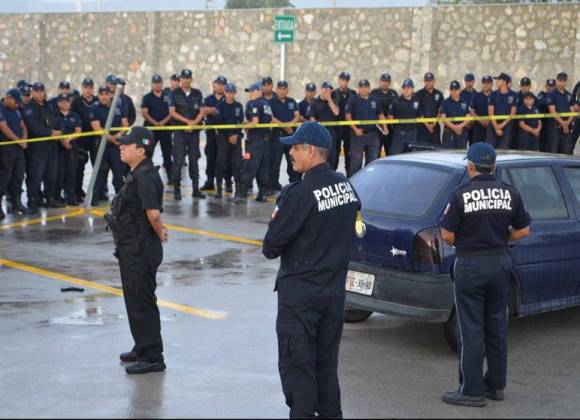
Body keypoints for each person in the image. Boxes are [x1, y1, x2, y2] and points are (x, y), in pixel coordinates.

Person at [262, 121, 360, 418]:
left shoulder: (300, 193)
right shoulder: (347, 186)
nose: (291, 153)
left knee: (298, 368)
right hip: (332, 292)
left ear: (311, 151)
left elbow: (271, 246)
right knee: (326, 366)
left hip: (301, 296)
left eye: (295, 147)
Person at [439, 142, 531, 407]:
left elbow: (447, 235)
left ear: (470, 167)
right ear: (494, 166)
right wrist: (502, 237)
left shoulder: (461, 195)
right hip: (500, 262)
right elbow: (524, 231)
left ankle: (471, 391)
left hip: (470, 265)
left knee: (470, 329)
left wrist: (467, 242)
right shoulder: (509, 192)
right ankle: (495, 386)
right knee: (497, 327)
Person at [105, 126, 167, 375]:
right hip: (131, 247)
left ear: (142, 150)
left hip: (141, 249)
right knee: (134, 299)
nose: (121, 147)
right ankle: (142, 347)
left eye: (127, 144)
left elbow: (153, 213)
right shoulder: (137, 172)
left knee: (142, 301)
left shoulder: (145, 176)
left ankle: (153, 356)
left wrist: (160, 230)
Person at [168, 69, 206, 200]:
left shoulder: (197, 93)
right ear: (180, 80)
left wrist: (194, 123)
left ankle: (196, 189)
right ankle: (176, 189)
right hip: (179, 132)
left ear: (191, 79)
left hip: (194, 133)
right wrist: (188, 122)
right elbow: (172, 112)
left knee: (194, 160)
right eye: (183, 78)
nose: (185, 80)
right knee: (178, 161)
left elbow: (202, 110)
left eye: (188, 78)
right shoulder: (175, 93)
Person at [24, 82, 62, 212]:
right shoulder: (30, 108)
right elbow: (33, 127)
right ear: (33, 92)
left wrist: (59, 131)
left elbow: (56, 121)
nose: (39, 93)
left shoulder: (49, 106)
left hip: (51, 146)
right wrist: (51, 133)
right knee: (36, 175)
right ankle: (33, 201)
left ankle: (50, 198)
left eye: (41, 90)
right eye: (36, 91)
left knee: (51, 174)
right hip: (37, 148)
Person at [89, 85, 129, 205]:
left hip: (116, 145)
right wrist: (112, 138)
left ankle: (120, 199)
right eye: (102, 94)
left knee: (118, 172)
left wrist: (119, 135)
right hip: (101, 145)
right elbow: (97, 128)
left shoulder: (118, 106)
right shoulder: (94, 108)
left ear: (111, 95)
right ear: (98, 95)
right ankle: (95, 198)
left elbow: (125, 124)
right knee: (100, 172)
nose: (104, 97)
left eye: (107, 94)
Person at [235, 82, 273, 203]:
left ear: (258, 91)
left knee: (248, 165)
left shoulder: (255, 104)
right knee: (262, 168)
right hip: (265, 140)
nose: (250, 94)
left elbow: (255, 122)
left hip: (254, 141)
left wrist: (244, 125)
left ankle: (241, 195)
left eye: (252, 91)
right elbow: (270, 122)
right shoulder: (266, 104)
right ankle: (262, 194)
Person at [345, 79, 386, 176]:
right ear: (358, 88)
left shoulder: (374, 99)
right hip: (358, 135)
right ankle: (354, 183)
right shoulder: (353, 99)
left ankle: (369, 181)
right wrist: (355, 129)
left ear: (369, 88)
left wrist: (385, 127)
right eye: (361, 87)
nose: (363, 89)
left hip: (373, 135)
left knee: (372, 162)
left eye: (366, 87)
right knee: (356, 161)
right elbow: (347, 116)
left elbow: (380, 114)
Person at [0, 89, 29, 218]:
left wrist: (24, 138)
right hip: (6, 148)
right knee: (5, 177)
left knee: (19, 176)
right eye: (15, 102)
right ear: (8, 97)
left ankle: (16, 203)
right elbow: (4, 127)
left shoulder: (17, 110)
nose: (17, 105)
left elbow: (23, 126)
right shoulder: (2, 109)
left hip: (18, 149)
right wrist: (18, 141)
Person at [141, 75, 173, 184]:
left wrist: (163, 122)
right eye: (155, 82)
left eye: (159, 82)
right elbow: (144, 113)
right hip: (150, 131)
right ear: (151, 84)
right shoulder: (146, 97)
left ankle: (171, 178)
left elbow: (172, 111)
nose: (157, 84)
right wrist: (155, 123)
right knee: (147, 152)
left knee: (167, 154)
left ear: (162, 83)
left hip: (165, 130)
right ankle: (145, 177)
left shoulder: (169, 96)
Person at [214, 83, 244, 199]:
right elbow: (219, 123)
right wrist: (229, 135)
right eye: (227, 92)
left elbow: (240, 122)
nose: (230, 94)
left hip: (236, 139)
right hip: (223, 138)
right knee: (221, 163)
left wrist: (235, 135)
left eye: (232, 92)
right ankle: (219, 190)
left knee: (237, 164)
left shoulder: (239, 106)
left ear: (235, 93)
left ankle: (237, 189)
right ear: (225, 93)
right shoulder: (219, 106)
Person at [270, 80, 301, 192]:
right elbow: (271, 118)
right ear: (276, 90)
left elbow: (297, 115)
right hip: (277, 136)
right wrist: (285, 126)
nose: (282, 91)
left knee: (293, 160)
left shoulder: (292, 101)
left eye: (284, 89)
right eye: (280, 89)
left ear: (287, 90)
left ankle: (294, 184)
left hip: (291, 135)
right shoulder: (271, 102)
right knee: (275, 162)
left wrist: (290, 125)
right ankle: (273, 185)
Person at [71, 77, 99, 202]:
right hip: (81, 140)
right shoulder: (76, 102)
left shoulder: (98, 101)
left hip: (95, 139)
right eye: (85, 88)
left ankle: (98, 191)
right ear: (82, 88)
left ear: (93, 89)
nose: (88, 90)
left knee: (98, 167)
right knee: (79, 168)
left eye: (90, 88)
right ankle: (78, 191)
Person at [201, 75, 227, 192]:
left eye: (223, 84)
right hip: (211, 134)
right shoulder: (208, 99)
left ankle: (227, 182)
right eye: (219, 84)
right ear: (214, 85)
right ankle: (210, 181)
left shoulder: (228, 98)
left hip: (224, 134)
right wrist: (215, 110)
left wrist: (211, 110)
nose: (221, 86)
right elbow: (203, 110)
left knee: (224, 159)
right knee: (210, 157)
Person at [55, 94, 82, 205]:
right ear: (58, 103)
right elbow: (54, 131)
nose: (65, 103)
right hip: (58, 148)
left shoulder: (75, 116)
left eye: (67, 101)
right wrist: (63, 141)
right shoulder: (54, 116)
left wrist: (68, 139)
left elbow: (78, 130)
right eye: (62, 101)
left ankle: (70, 196)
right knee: (59, 173)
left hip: (72, 147)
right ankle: (57, 196)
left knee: (71, 172)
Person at [307, 81, 339, 168]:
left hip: (331, 132)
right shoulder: (314, 102)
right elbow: (312, 118)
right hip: (319, 133)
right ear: (322, 90)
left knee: (332, 157)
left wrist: (329, 99)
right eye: (326, 90)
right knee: (319, 157)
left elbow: (336, 112)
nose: (328, 92)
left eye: (330, 90)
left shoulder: (333, 101)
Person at [545, 72, 576, 155]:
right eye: (560, 80)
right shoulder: (552, 95)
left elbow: (572, 111)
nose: (562, 82)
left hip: (567, 128)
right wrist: (563, 124)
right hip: (555, 127)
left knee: (566, 150)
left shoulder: (569, 95)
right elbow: (552, 111)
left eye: (564, 80)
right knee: (554, 151)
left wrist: (567, 123)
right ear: (557, 81)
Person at [332, 72, 356, 173]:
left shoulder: (353, 93)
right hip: (336, 127)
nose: (344, 82)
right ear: (339, 80)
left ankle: (349, 176)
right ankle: (333, 174)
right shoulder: (333, 93)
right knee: (335, 152)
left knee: (349, 153)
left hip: (349, 128)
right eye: (342, 80)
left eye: (346, 80)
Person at [388, 79, 420, 154]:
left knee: (411, 156)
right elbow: (390, 117)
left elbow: (419, 116)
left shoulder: (417, 101)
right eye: (404, 88)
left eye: (408, 88)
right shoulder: (396, 101)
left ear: (412, 89)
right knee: (396, 156)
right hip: (399, 133)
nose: (406, 90)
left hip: (412, 133)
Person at [487, 73, 517, 150]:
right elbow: (491, 113)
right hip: (493, 125)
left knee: (503, 150)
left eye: (498, 80)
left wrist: (502, 125)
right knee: (490, 149)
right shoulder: (493, 94)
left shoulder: (514, 95)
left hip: (506, 126)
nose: (496, 82)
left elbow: (512, 113)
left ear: (504, 82)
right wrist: (496, 127)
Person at [370, 73, 398, 156]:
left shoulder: (393, 93)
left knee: (390, 153)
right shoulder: (374, 93)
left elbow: (396, 108)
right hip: (377, 128)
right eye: (383, 80)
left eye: (387, 81)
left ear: (389, 83)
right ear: (380, 81)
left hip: (390, 128)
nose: (385, 83)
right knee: (375, 153)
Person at [440, 81, 471, 149]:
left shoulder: (465, 102)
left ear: (459, 90)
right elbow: (443, 118)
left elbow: (468, 118)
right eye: (452, 90)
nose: (454, 91)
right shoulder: (445, 102)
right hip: (449, 134)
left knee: (461, 156)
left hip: (461, 133)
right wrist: (454, 128)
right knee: (448, 155)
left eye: (456, 89)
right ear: (450, 91)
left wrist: (459, 127)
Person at [416, 72, 443, 145]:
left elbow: (440, 110)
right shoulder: (418, 94)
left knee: (435, 150)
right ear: (424, 81)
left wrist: (434, 123)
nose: (428, 82)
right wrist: (427, 125)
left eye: (430, 80)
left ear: (434, 81)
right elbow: (419, 111)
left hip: (435, 128)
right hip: (422, 128)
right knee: (422, 150)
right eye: (426, 80)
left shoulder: (439, 94)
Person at [470, 76, 493, 144]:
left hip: (492, 128)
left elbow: (498, 112)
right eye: (484, 83)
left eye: (488, 83)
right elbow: (472, 111)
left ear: (492, 84)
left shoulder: (495, 95)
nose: (486, 85)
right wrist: (481, 120)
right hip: (478, 128)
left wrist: (489, 121)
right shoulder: (476, 96)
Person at [536, 79, 556, 152]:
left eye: (552, 86)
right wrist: (550, 100)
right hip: (543, 125)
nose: (550, 88)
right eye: (549, 86)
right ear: (545, 86)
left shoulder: (557, 96)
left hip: (554, 125)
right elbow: (539, 103)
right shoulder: (542, 94)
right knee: (543, 146)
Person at [460, 73, 477, 145]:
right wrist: (466, 123)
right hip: (463, 125)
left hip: (474, 125)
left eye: (470, 81)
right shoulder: (460, 94)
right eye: (466, 81)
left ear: (473, 82)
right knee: (462, 147)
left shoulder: (477, 94)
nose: (468, 83)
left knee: (473, 147)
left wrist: (472, 121)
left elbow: (477, 109)